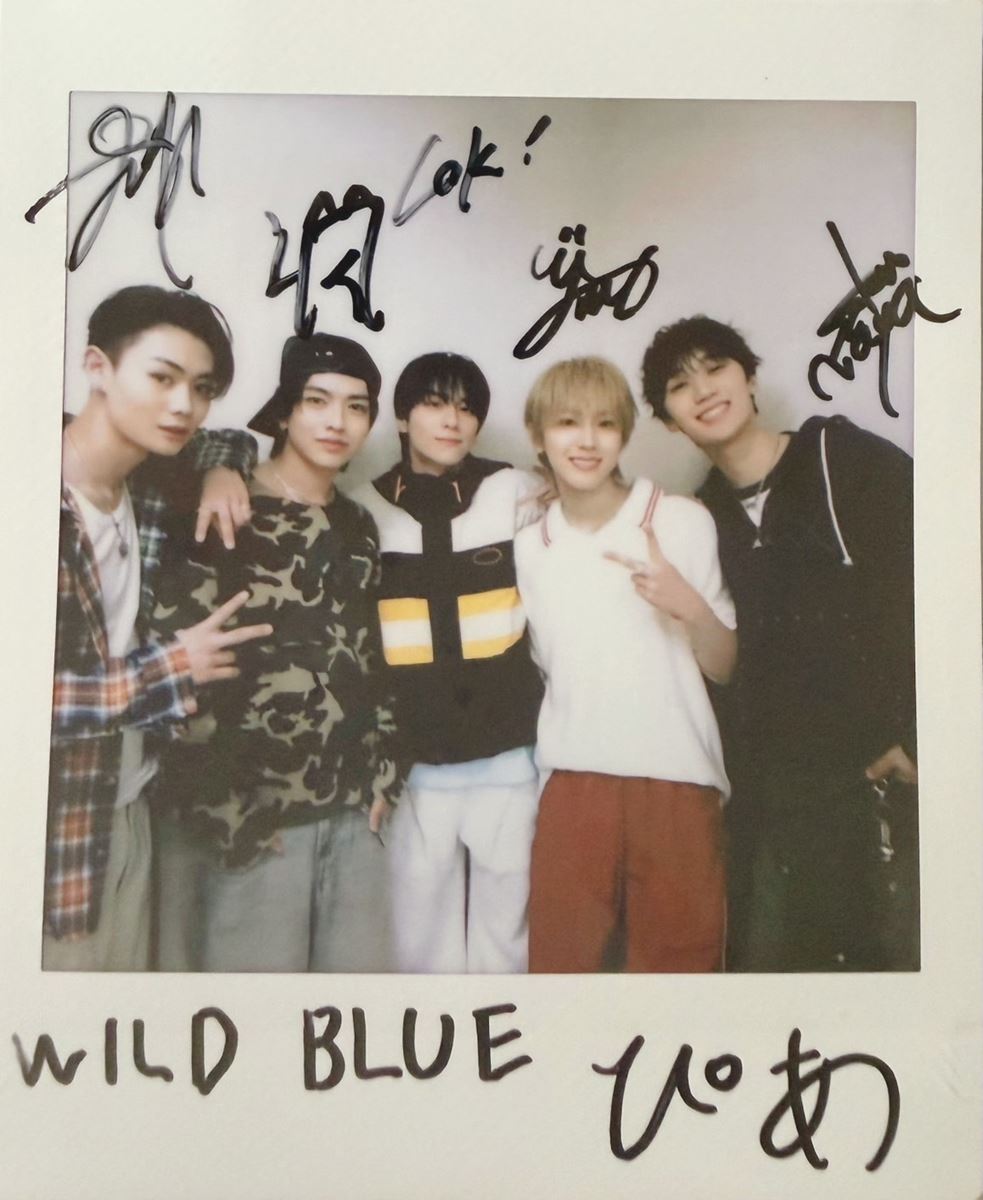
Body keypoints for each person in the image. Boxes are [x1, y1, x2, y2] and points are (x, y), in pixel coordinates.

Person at [641, 314, 918, 972]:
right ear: (669, 421)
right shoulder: (699, 518)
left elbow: (941, 588)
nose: (704, 389)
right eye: (680, 385)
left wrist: (913, 735)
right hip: (778, 800)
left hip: (883, 775)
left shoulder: (841, 459)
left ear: (750, 379)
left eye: (716, 368)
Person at [152, 333, 403, 972]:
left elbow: (372, 657)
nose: (336, 421)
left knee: (345, 1014)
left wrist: (383, 776)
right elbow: (176, 673)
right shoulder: (223, 507)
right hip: (247, 827)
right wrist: (230, 816)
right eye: (317, 401)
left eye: (356, 406)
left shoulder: (358, 525)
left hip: (351, 817)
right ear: (284, 413)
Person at [47, 284, 270, 971]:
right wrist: (171, 668)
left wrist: (224, 468)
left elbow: (229, 437)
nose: (183, 406)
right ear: (97, 367)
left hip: (129, 807)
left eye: (201, 389)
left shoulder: (143, 487)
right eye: (162, 378)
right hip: (50, 837)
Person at [514, 356, 736, 973]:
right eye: (567, 422)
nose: (587, 441)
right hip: (572, 783)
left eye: (605, 423)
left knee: (678, 984)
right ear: (538, 435)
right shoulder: (530, 546)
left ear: (624, 434)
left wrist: (688, 605)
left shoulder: (681, 520)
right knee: (561, 976)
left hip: (677, 781)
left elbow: (724, 665)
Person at [352, 352, 544, 974]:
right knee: (419, 941)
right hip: (413, 765)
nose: (453, 420)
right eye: (435, 404)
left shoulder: (514, 490)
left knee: (507, 939)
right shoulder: (363, 508)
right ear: (402, 418)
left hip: (508, 752)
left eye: (466, 408)